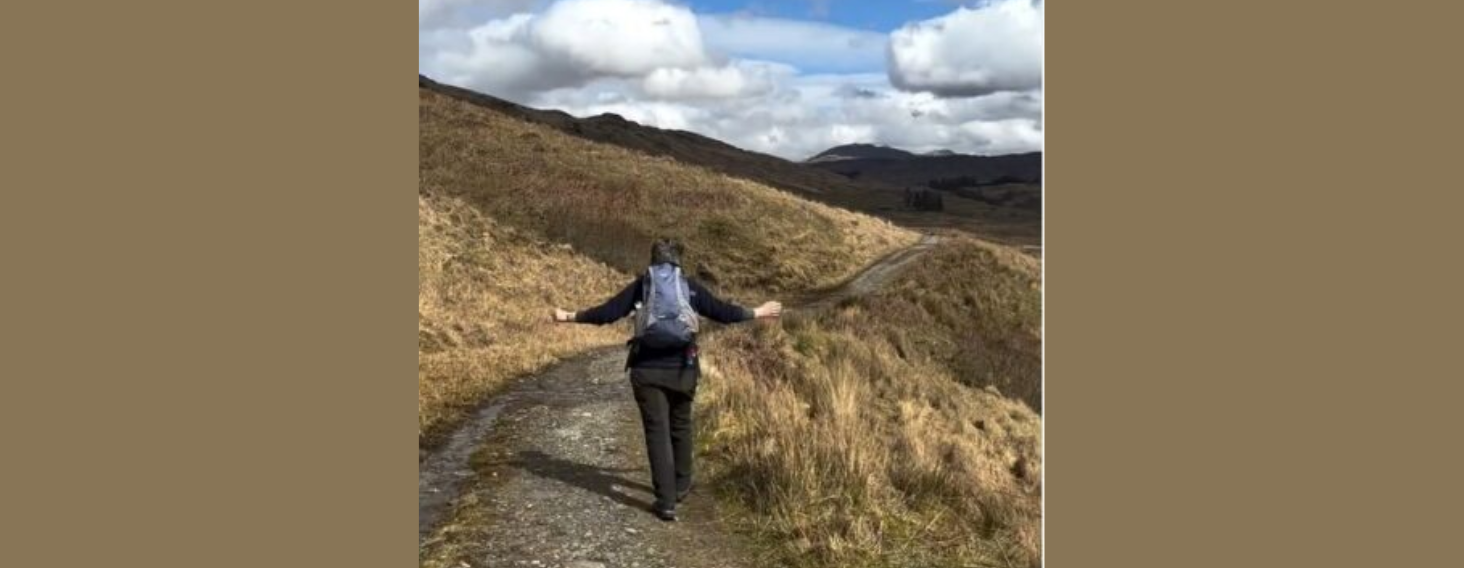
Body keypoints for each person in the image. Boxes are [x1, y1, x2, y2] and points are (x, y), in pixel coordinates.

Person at [552, 239, 782, 521]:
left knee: (656, 431)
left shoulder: (643, 286)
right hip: (683, 369)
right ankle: (682, 484)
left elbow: (607, 313)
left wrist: (569, 317)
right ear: (678, 262)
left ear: (653, 260)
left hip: (647, 370)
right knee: (681, 423)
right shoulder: (689, 287)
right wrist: (758, 312)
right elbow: (723, 312)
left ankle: (666, 502)